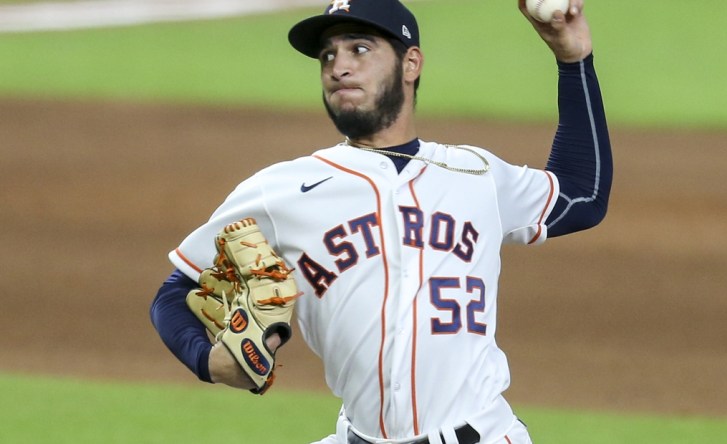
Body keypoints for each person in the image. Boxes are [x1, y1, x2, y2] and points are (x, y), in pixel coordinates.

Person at [150, 0, 612, 442]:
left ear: (411, 64)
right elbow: (174, 293)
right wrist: (208, 361)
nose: (338, 66)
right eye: (327, 55)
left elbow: (582, 195)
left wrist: (574, 61)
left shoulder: (478, 175)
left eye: (360, 49)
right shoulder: (281, 190)